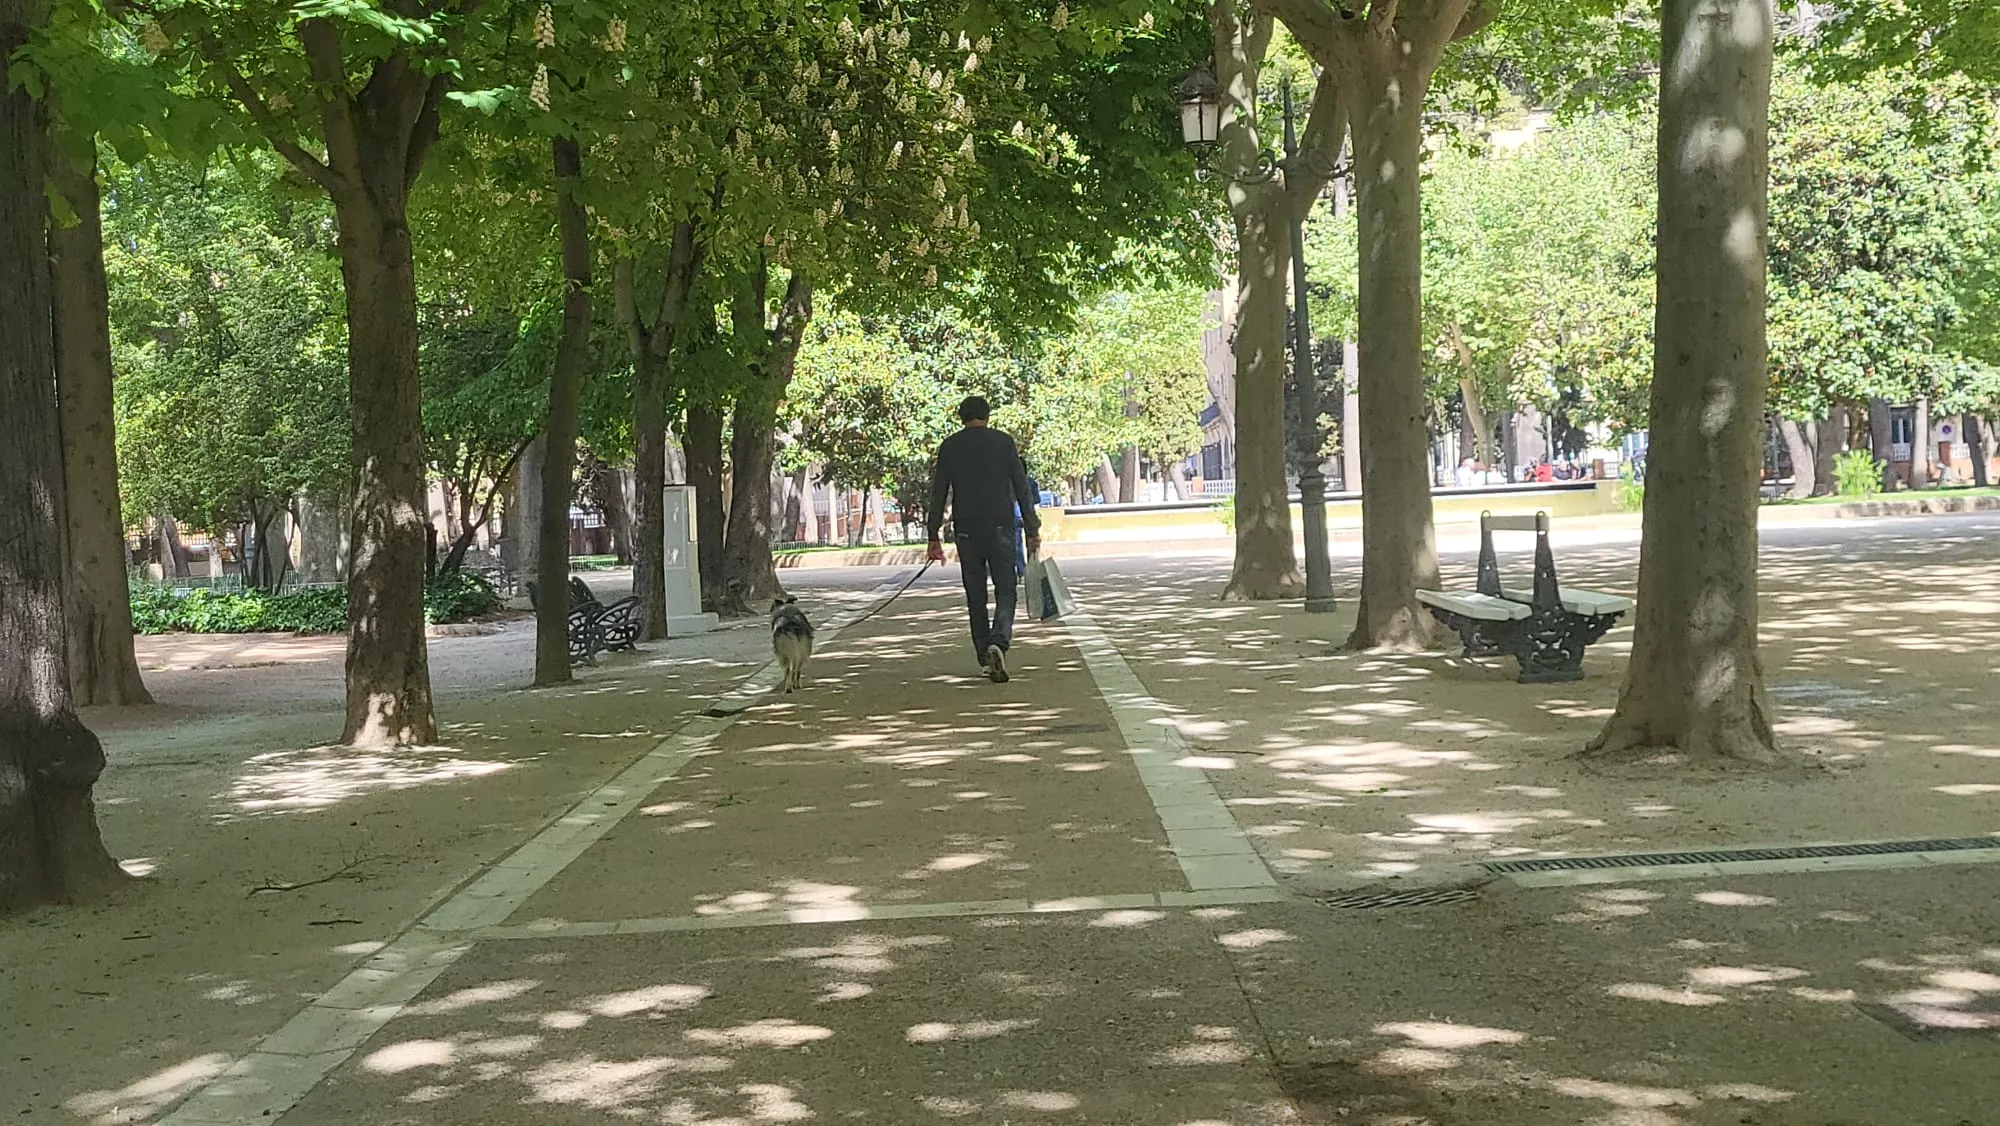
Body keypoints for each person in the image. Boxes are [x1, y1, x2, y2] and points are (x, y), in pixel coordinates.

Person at [927, 396, 1040, 683]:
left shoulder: (950, 446)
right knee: (1006, 589)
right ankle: (998, 641)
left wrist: (933, 535)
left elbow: (939, 492)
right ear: (987, 416)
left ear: (961, 417)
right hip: (1001, 526)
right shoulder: (1003, 443)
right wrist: (1032, 527)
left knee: (975, 593)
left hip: (966, 529)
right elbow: (1021, 486)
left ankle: (983, 652)